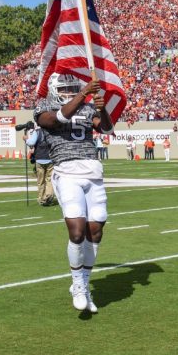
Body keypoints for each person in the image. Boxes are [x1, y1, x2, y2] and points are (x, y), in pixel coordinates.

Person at [35, 73, 113, 313]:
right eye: (65, 88)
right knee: (77, 231)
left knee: (95, 231)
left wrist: (103, 109)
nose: (68, 91)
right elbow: (58, 118)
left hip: (92, 170)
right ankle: (78, 284)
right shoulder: (43, 106)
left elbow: (107, 129)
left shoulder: (87, 107)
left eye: (73, 88)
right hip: (66, 172)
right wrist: (83, 94)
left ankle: (84, 284)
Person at [24, 125, 56, 206]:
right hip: (50, 158)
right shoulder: (52, 131)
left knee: (40, 180)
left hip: (40, 158)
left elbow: (31, 143)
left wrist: (26, 139)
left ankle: (41, 198)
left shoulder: (37, 132)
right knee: (49, 180)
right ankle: (48, 196)